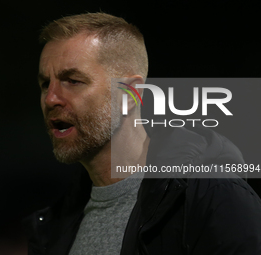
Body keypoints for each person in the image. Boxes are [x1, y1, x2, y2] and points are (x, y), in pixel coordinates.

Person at [23, 12, 261, 255]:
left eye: (73, 80)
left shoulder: (212, 198)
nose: (51, 98)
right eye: (45, 84)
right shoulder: (52, 227)